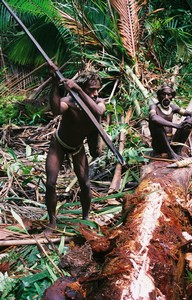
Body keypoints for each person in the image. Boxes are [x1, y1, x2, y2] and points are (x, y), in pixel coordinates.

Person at [45, 67, 106, 232]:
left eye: (97, 89)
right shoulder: (69, 102)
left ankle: (85, 218)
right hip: (59, 144)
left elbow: (98, 112)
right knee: (50, 183)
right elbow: (56, 110)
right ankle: (52, 222)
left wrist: (79, 89)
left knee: (85, 184)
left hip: (77, 148)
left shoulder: (99, 102)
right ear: (81, 88)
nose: (95, 93)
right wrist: (53, 84)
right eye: (91, 89)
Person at [149, 83, 192, 160]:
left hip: (172, 142)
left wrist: (190, 120)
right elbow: (154, 118)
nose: (166, 97)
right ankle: (171, 154)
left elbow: (191, 114)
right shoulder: (154, 107)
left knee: (188, 120)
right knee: (157, 124)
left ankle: (178, 150)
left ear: (172, 97)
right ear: (158, 96)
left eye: (169, 94)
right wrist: (176, 125)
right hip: (159, 145)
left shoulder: (173, 108)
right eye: (163, 94)